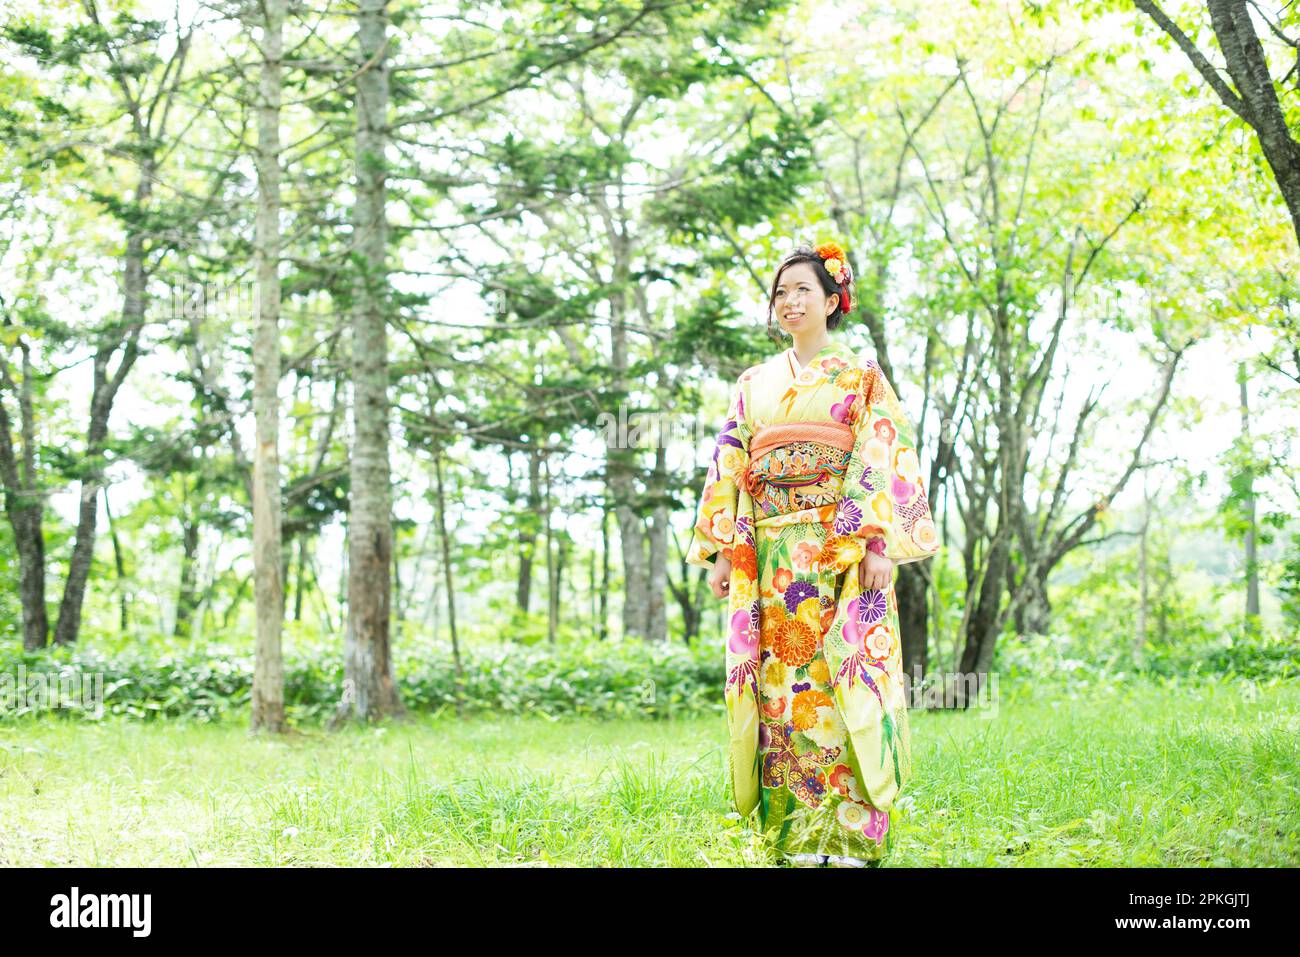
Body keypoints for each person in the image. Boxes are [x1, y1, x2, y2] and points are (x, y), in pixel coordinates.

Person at [685, 241, 941, 867]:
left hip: (837, 547)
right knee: (782, 688)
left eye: (802, 290)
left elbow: (879, 453)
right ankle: (797, 838)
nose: (789, 301)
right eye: (780, 292)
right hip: (772, 555)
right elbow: (732, 464)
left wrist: (875, 540)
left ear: (832, 301)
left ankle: (851, 836)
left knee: (841, 681)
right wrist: (723, 552)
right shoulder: (752, 385)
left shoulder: (861, 377)